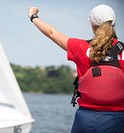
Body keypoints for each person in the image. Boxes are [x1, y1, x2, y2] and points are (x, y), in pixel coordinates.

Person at [28, 4, 124, 133]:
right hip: (117, 120)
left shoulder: (81, 47)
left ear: (92, 25)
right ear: (113, 24)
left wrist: (33, 16)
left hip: (85, 119)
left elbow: (51, 32)